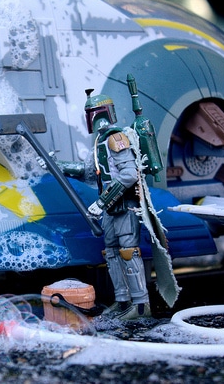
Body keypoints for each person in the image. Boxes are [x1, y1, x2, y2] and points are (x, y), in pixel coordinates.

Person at [54, 90, 151, 320]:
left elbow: (129, 175)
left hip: (124, 206)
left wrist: (102, 201)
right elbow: (88, 173)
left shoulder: (116, 139)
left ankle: (141, 306)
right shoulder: (101, 142)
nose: (92, 118)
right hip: (110, 209)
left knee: (128, 253)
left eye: (93, 113)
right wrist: (56, 164)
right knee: (112, 254)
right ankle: (122, 301)